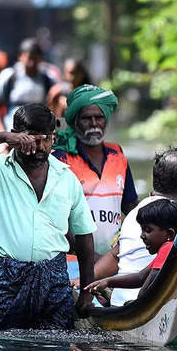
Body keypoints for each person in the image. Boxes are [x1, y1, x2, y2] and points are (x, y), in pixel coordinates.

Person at [0, 103, 98, 329]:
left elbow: (84, 237)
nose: (39, 147)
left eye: (45, 139)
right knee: (0, 343)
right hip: (3, 277)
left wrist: (86, 292)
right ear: (16, 138)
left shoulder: (67, 178)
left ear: (53, 138)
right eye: (31, 140)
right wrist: (1, 137)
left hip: (53, 278)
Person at [89, 148, 177, 306]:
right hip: (158, 307)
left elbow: (131, 267)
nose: (142, 235)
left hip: (121, 301)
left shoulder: (134, 214)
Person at [51, 84, 139, 256]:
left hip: (112, 260)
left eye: (99, 117)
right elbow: (54, 217)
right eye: (86, 118)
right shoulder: (60, 158)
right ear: (75, 121)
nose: (94, 123)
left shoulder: (118, 154)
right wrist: (88, 257)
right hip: (70, 261)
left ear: (106, 119)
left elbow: (130, 206)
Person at [83, 199, 177, 304]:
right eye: (142, 230)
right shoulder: (173, 251)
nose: (142, 236)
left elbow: (150, 282)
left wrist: (137, 304)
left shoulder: (168, 247)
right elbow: (140, 277)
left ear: (169, 234)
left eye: (148, 230)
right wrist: (108, 282)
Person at [0, 38, 57, 132]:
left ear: (41, 59)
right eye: (29, 58)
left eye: (36, 59)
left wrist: (60, 133)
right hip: (12, 132)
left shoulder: (48, 78)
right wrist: (1, 132)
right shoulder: (9, 75)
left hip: (40, 135)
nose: (32, 63)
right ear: (20, 57)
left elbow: (58, 106)